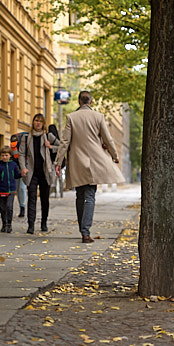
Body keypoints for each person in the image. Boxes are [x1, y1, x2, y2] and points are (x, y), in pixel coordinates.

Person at [55, 91, 125, 243]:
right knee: (90, 196)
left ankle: (83, 229)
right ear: (91, 102)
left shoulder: (71, 117)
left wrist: (58, 162)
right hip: (94, 162)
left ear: (79, 102)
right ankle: (85, 232)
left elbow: (65, 142)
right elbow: (108, 139)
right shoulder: (98, 117)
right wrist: (114, 155)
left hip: (77, 162)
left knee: (80, 195)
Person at [19, 113, 60, 234]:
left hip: (45, 172)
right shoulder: (26, 137)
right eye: (36, 120)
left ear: (43, 124)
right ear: (33, 122)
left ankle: (44, 223)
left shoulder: (48, 136)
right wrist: (23, 167)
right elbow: (21, 154)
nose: (38, 123)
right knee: (31, 199)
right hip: (31, 172)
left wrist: (51, 146)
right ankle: (30, 225)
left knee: (44, 199)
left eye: (40, 121)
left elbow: (62, 146)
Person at [0, 146, 21, 233]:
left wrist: (22, 174)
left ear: (10, 155)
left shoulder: (13, 165)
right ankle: (4, 224)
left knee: (9, 207)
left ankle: (9, 225)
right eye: (2, 155)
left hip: (11, 190)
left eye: (6, 155)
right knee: (2, 208)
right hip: (1, 190)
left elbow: (16, 175)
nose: (4, 157)